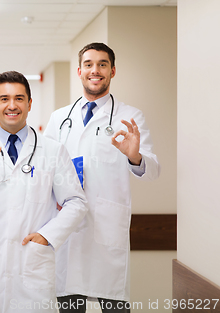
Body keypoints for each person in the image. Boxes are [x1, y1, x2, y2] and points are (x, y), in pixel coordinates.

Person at [0, 71, 88, 313]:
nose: (12, 105)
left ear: (29, 104)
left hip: (33, 264)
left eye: (19, 98)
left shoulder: (52, 150)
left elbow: (76, 202)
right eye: (4, 98)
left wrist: (47, 236)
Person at [44, 42, 160, 312]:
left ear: (113, 71)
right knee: (69, 306)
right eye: (89, 64)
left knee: (114, 306)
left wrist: (135, 157)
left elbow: (152, 171)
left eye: (102, 64)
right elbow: (43, 169)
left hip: (107, 231)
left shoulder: (130, 117)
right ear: (79, 71)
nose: (95, 70)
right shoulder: (60, 118)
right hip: (68, 229)